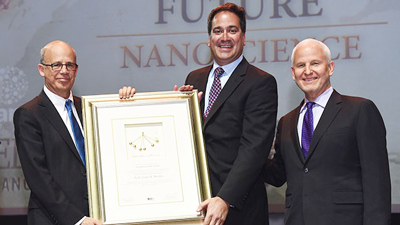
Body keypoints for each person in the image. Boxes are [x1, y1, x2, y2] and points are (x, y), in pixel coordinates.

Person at [120, 3, 277, 225]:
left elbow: (254, 149)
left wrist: (225, 198)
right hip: (195, 206)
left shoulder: (260, 82)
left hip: (238, 209)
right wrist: (169, 112)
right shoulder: (194, 79)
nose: (224, 37)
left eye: (232, 30)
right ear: (209, 38)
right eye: (217, 31)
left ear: (243, 37)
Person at [263, 38, 391, 225]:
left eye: (315, 63)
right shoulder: (286, 122)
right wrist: (242, 148)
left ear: (330, 68)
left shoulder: (360, 110)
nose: (307, 71)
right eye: (301, 65)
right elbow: (277, 175)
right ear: (293, 73)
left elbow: (377, 182)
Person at [13, 40, 103, 225]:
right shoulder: (29, 115)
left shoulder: (89, 108)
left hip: (96, 217)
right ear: (41, 69)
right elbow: (38, 176)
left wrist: (126, 103)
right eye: (56, 65)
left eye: (69, 65)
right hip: (54, 220)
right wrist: (77, 220)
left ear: (76, 70)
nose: (64, 71)